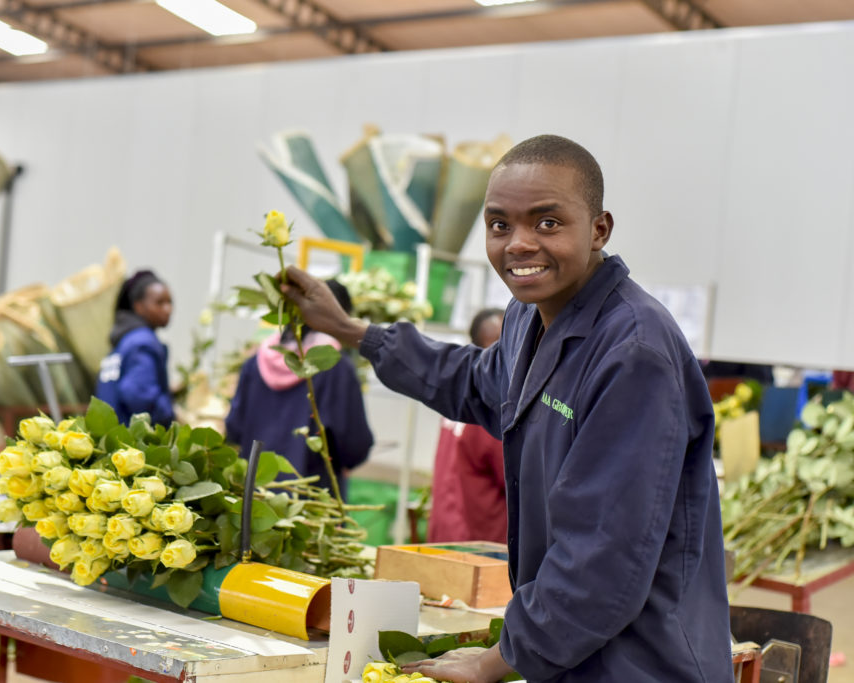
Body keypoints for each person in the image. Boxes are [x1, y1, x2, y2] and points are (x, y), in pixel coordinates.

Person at [282, 135, 732, 682]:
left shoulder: (632, 354)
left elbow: (602, 558)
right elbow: (475, 381)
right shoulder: (529, 317)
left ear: (599, 229)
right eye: (500, 225)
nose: (519, 244)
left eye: (547, 222)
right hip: (576, 651)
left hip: (640, 660)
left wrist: (495, 662)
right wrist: (353, 331)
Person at [225, 279, 373, 499]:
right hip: (309, 503)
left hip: (253, 500)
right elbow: (355, 444)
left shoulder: (254, 363)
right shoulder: (334, 367)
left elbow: (234, 428)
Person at [427, 308, 507, 544]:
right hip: (480, 544)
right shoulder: (492, 406)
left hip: (446, 532)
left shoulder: (459, 397)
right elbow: (518, 484)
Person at [95, 269, 175, 427]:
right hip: (129, 442)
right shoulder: (143, 341)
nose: (167, 309)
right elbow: (138, 392)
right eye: (159, 303)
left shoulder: (124, 339)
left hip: (110, 439)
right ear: (138, 307)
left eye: (169, 302)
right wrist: (169, 415)